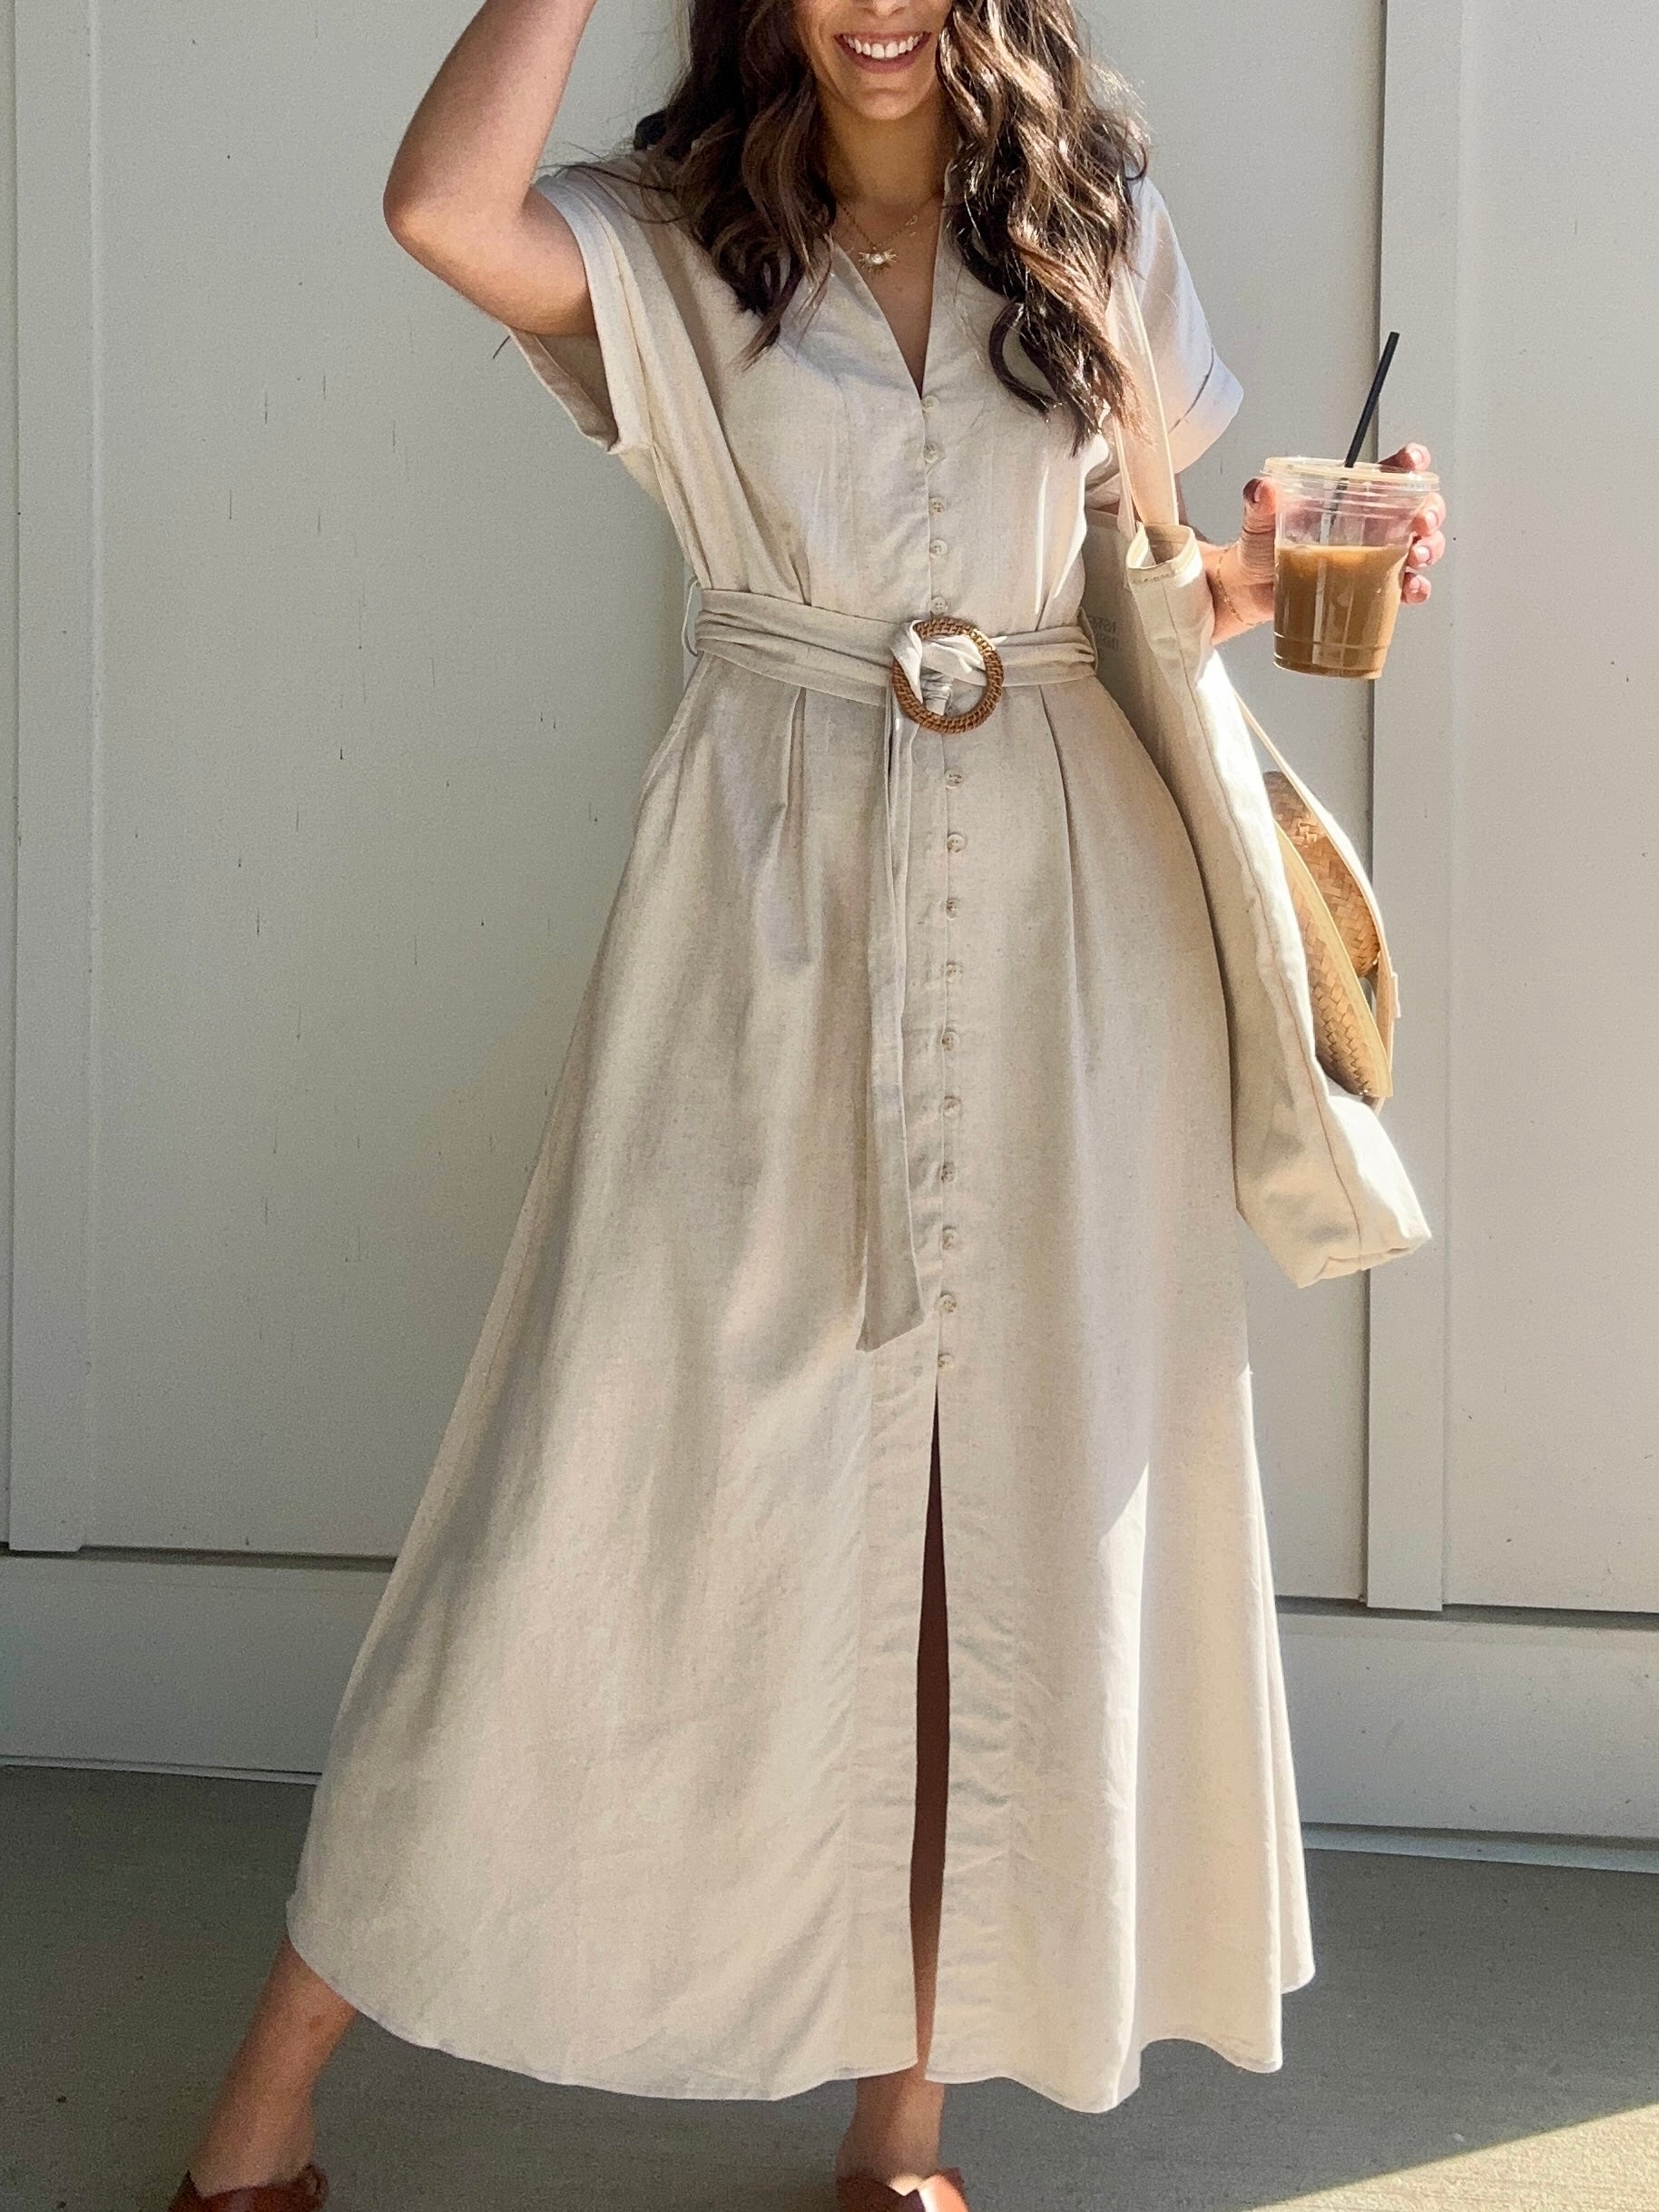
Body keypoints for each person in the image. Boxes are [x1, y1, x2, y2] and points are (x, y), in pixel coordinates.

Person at [164, 1, 1447, 2207]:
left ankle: (898, 2127)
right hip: (758, 927)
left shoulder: (1094, 236)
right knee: (579, 1508)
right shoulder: (676, 246)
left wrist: (1291, 560)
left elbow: (1136, 609)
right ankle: (260, 2114)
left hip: (1069, 938)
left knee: (988, 1526)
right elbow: (436, 206)